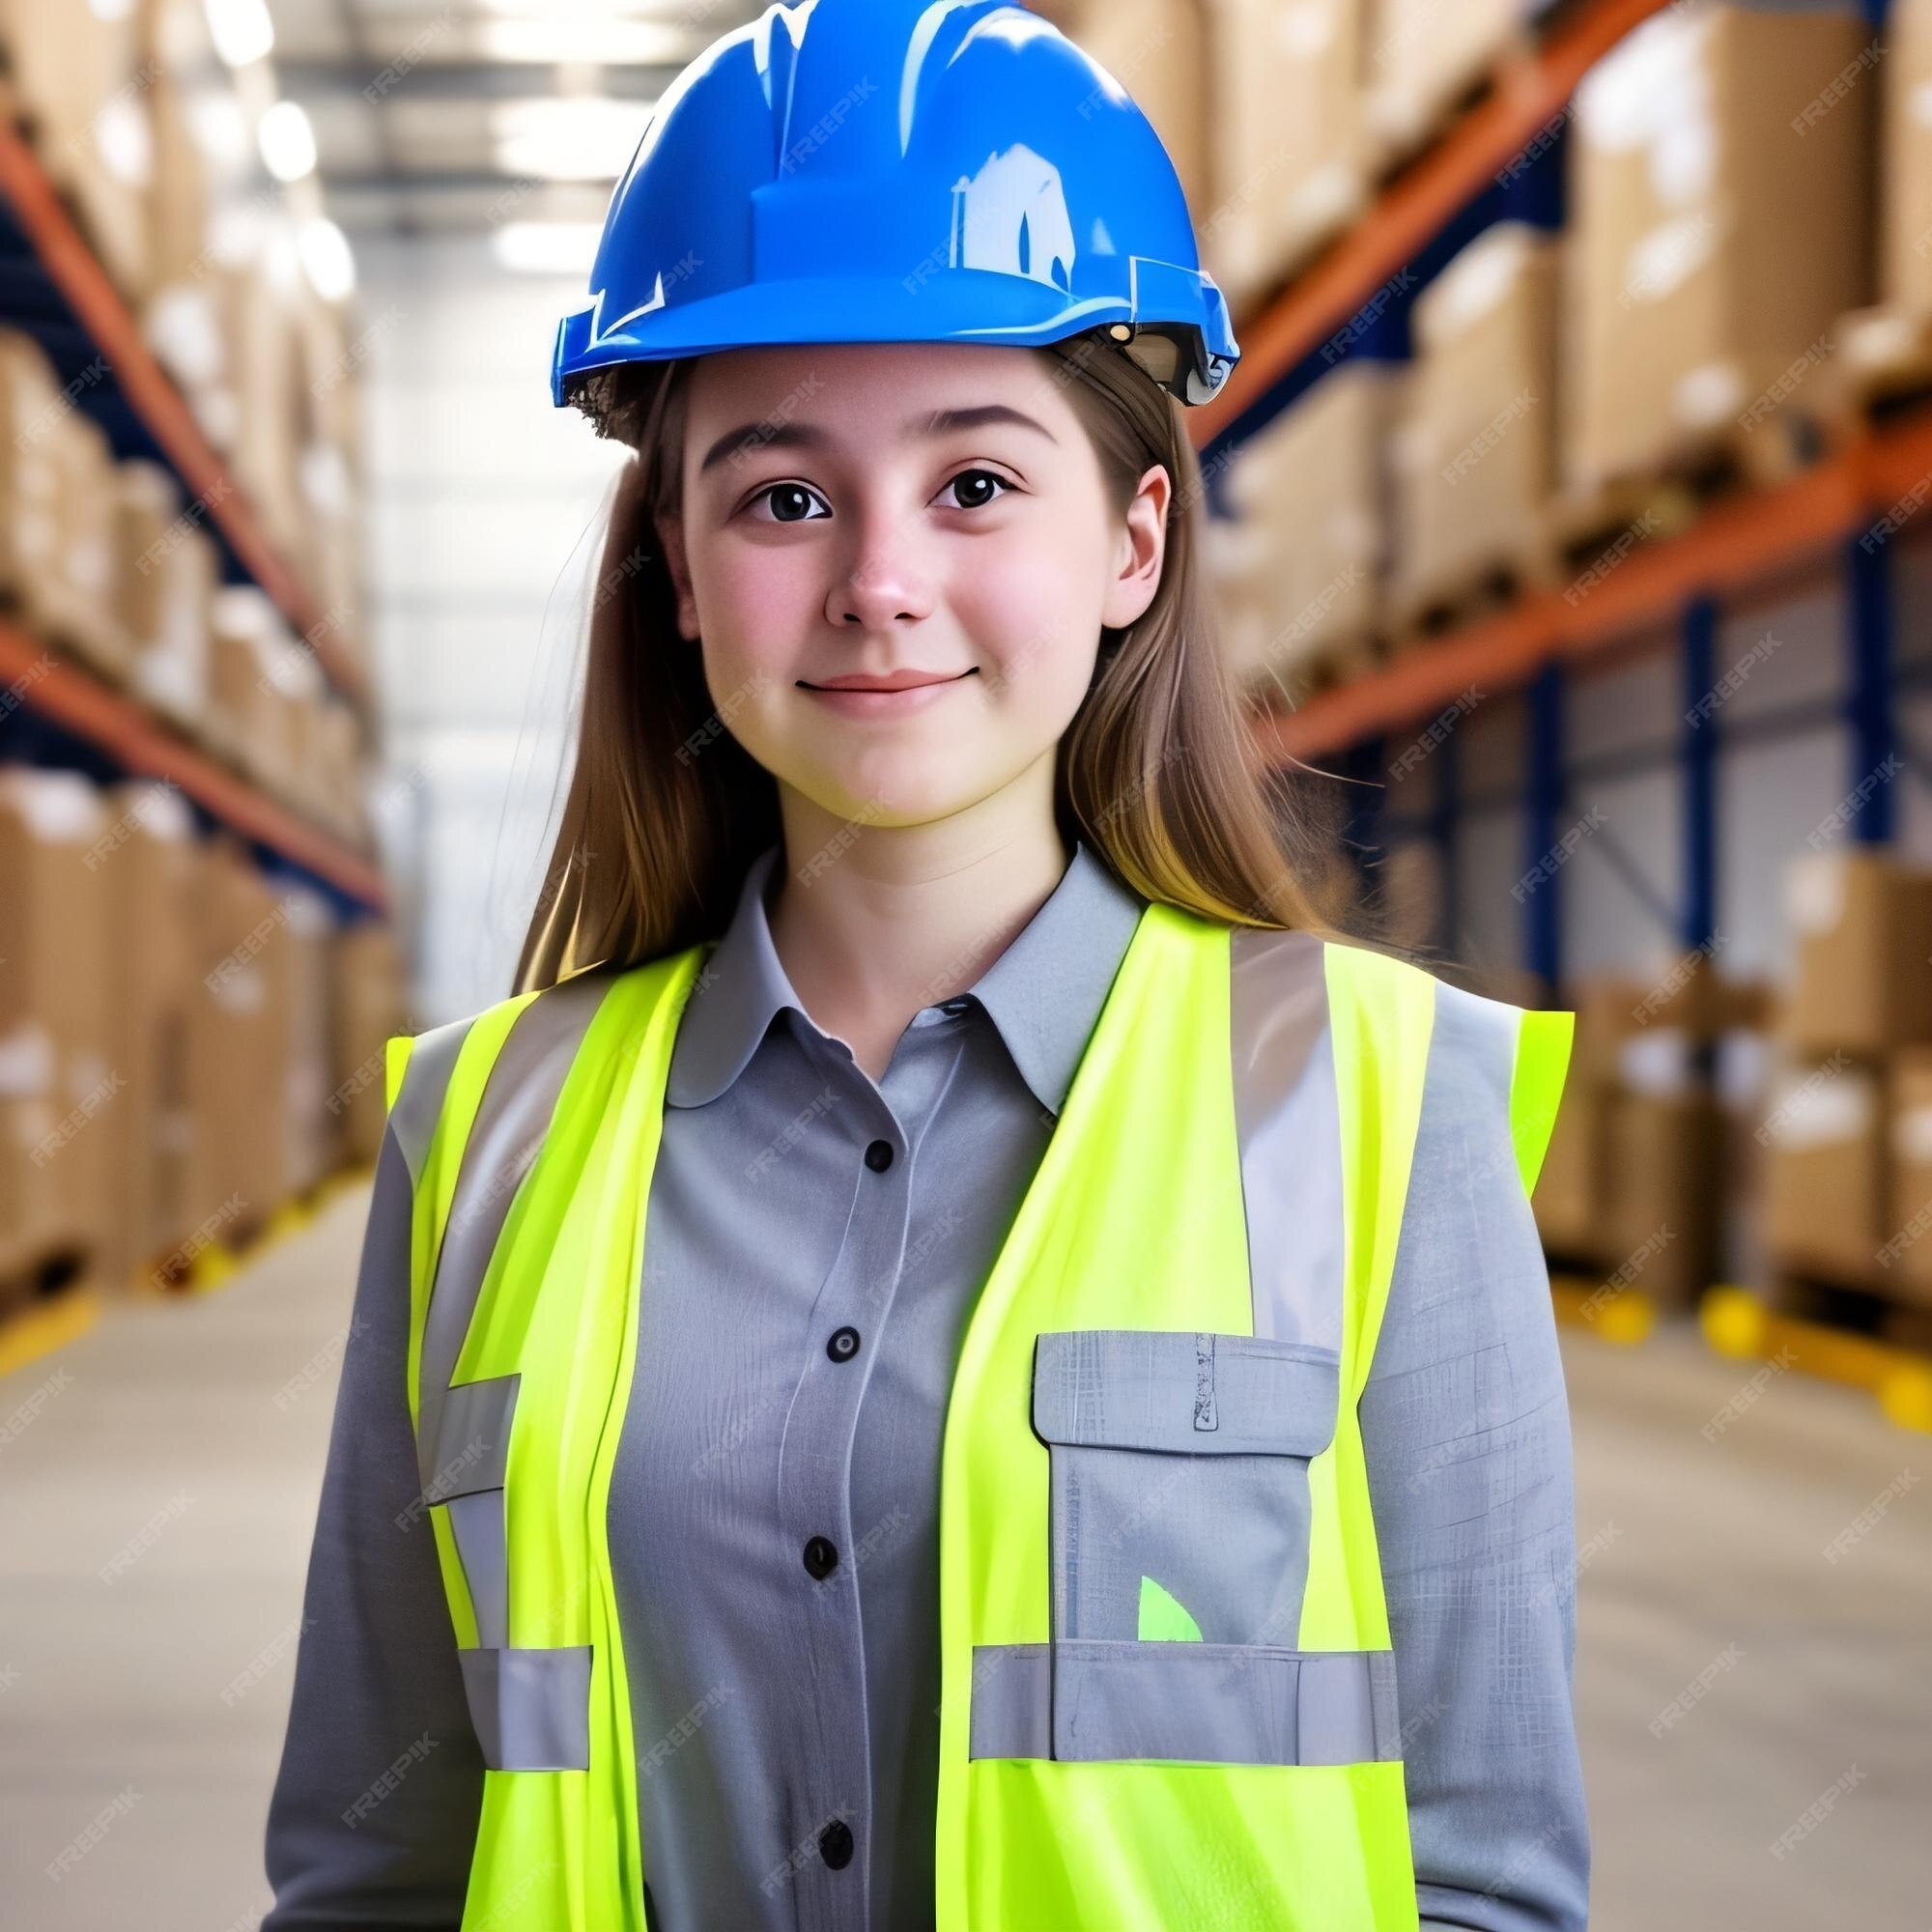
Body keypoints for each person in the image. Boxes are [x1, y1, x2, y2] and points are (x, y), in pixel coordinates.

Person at [261, 2, 1590, 1927]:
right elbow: (372, 1864)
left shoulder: (1380, 1114)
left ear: (1132, 541)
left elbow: (1485, 1879)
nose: (880, 579)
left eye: (975, 484)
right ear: (683, 571)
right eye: (784, 497)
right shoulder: (486, 1135)